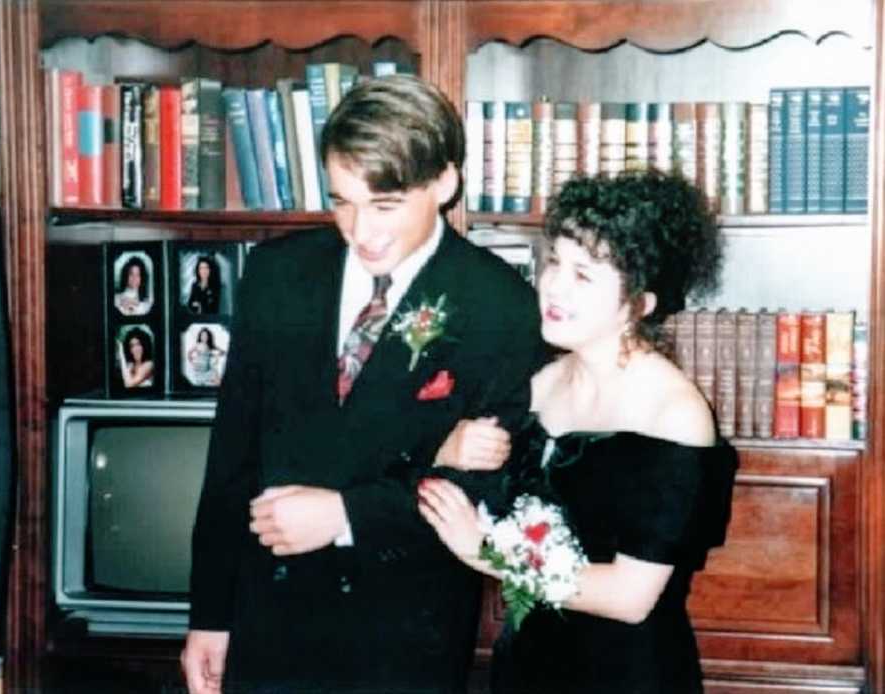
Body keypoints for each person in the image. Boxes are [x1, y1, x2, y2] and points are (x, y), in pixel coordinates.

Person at [181, 74, 546, 694]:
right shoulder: (277, 275)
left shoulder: (500, 304)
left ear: (444, 185)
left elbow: (492, 487)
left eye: (385, 204)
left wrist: (347, 515)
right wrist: (209, 617)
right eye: (342, 201)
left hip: (402, 639)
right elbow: (232, 459)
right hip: (270, 626)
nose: (361, 231)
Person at [418, 170, 738, 694]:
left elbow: (631, 598)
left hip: (625, 673)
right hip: (526, 662)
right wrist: (448, 445)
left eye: (584, 275)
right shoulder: (542, 381)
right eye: (553, 262)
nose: (553, 286)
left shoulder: (675, 414)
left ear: (640, 303)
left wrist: (487, 552)